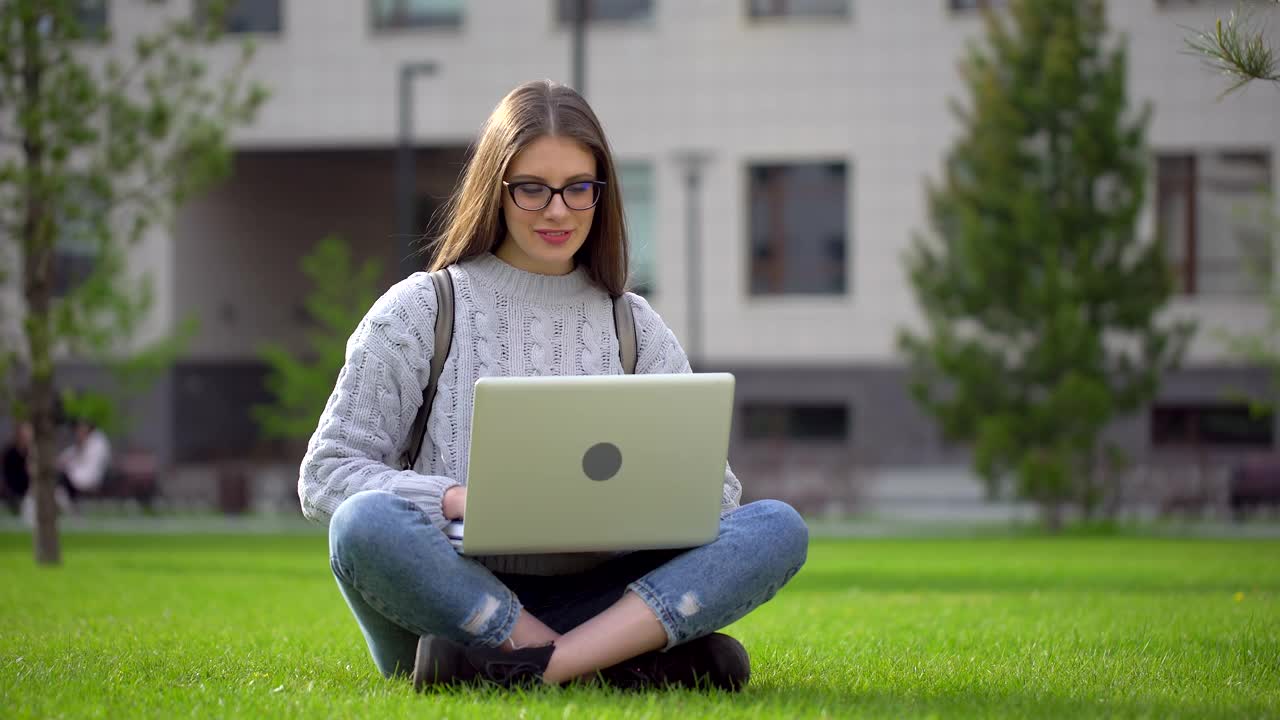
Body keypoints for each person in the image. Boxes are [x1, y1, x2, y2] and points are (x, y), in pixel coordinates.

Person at [298, 79, 809, 692]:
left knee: (778, 526)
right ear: (496, 189)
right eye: (532, 189)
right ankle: (615, 662)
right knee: (361, 526)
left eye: (578, 189)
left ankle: (540, 667)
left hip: (606, 593)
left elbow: (716, 494)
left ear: (602, 193)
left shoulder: (633, 325)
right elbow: (327, 473)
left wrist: (628, 507)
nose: (558, 210)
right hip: (454, 593)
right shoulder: (420, 309)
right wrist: (457, 500)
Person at [57, 419, 111, 509]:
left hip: (88, 477)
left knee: (61, 478)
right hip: (77, 475)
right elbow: (66, 457)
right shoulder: (85, 442)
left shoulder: (97, 443)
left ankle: (68, 506)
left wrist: (68, 465)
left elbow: (90, 465)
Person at [2, 421, 34, 515]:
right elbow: (7, 475)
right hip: (13, 489)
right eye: (24, 434)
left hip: (29, 490)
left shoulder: (33, 453)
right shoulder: (10, 452)